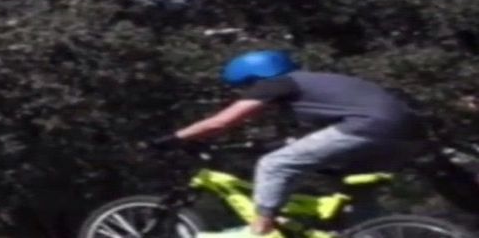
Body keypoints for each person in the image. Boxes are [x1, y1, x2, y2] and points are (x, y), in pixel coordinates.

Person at [148, 50, 424, 238]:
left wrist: (174, 138)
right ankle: (374, 232)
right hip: (408, 135)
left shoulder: (278, 83)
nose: (246, 93)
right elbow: (320, 133)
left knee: (274, 164)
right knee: (358, 199)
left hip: (368, 127)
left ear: (253, 78)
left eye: (245, 88)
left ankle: (261, 228)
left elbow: (220, 122)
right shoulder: (315, 83)